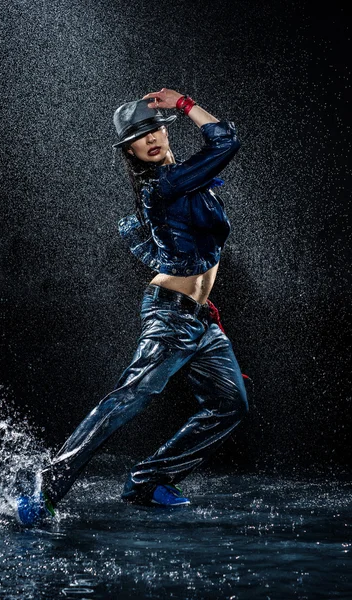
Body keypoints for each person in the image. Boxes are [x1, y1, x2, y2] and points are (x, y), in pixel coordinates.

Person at [15, 87, 249, 525]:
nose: (153, 138)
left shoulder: (187, 179)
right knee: (126, 401)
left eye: (157, 127)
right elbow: (226, 141)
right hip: (170, 316)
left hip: (198, 319)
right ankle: (44, 488)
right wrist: (182, 104)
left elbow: (174, 245)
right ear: (130, 150)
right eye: (141, 136)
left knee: (229, 404)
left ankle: (148, 481)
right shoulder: (162, 184)